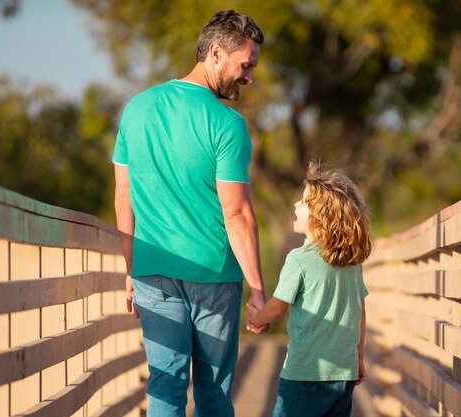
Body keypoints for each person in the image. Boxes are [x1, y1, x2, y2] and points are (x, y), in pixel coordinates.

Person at [113, 10, 267, 417]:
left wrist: (131, 268)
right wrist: (258, 289)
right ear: (216, 53)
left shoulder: (137, 107)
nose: (249, 76)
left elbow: (123, 194)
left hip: (152, 273)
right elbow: (236, 214)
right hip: (214, 277)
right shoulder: (226, 124)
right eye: (245, 65)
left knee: (165, 387)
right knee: (214, 394)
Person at [247, 161, 372, 417]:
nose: (296, 205)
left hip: (305, 372)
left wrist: (257, 318)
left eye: (303, 202)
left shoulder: (299, 259)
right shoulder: (353, 262)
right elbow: (359, 312)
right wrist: (359, 356)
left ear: (321, 215)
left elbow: (278, 306)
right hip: (343, 373)